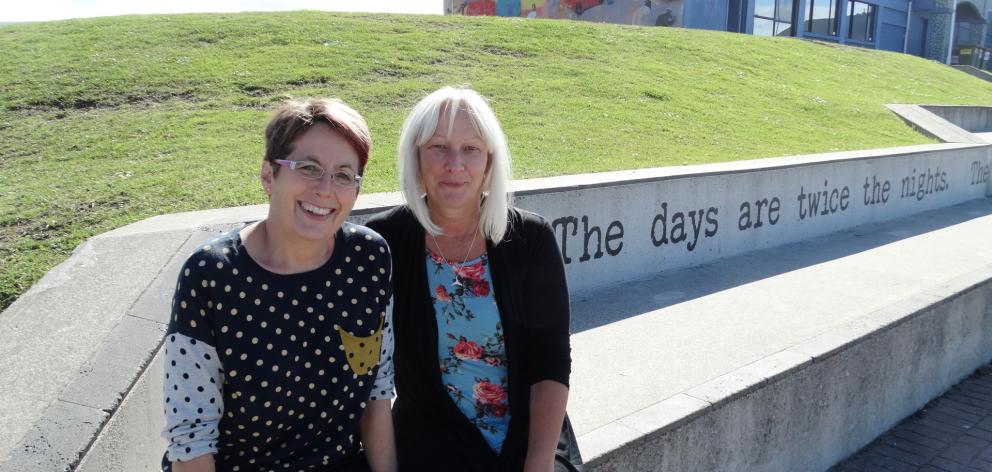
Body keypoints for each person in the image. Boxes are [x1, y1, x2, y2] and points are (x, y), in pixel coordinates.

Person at [161, 99, 397, 472]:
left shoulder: (368, 259)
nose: (324, 189)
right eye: (308, 168)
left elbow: (377, 393)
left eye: (343, 175)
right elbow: (193, 440)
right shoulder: (211, 275)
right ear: (269, 175)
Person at [367, 87, 580, 471]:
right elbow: (371, 376)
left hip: (528, 439)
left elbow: (550, 364)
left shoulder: (530, 239)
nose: (455, 164)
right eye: (438, 147)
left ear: (489, 162)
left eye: (470, 149)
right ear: (415, 157)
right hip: (431, 441)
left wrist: (538, 464)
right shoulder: (386, 243)